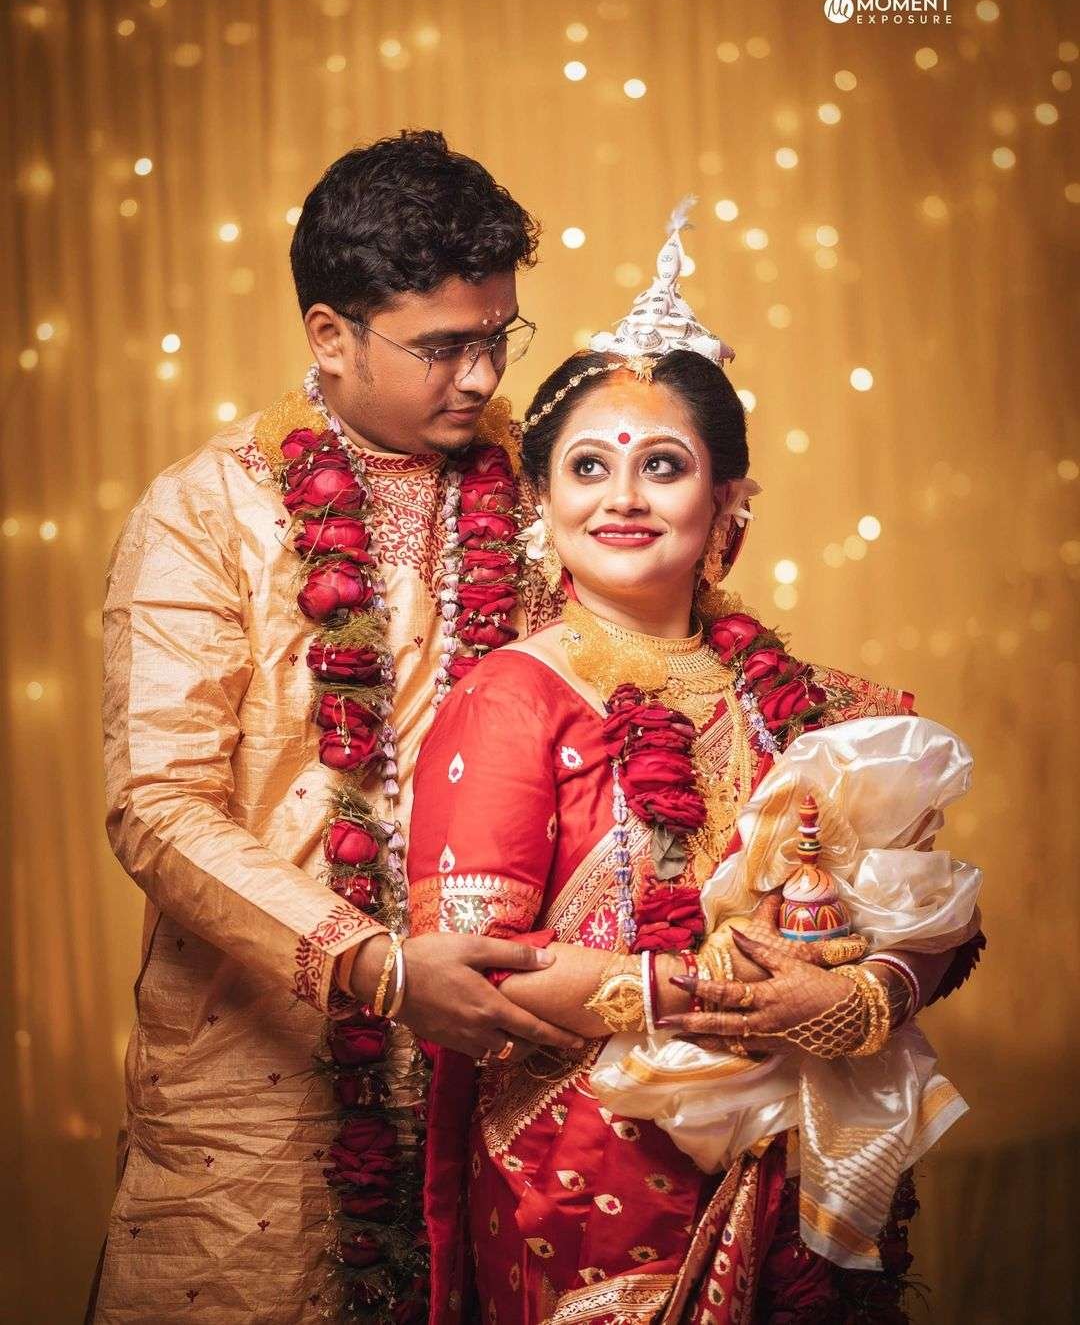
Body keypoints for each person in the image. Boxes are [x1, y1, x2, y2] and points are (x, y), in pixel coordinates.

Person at [407, 204, 984, 1323]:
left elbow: (937, 914)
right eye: (587, 466)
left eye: (661, 465)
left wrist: (859, 998)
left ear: (726, 502)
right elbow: (472, 974)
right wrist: (706, 994)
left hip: (788, 1169)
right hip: (583, 1183)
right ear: (541, 503)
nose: (622, 496)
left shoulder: (803, 701)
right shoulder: (510, 697)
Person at [89, 130, 580, 1325]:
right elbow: (156, 804)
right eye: (443, 346)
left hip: (505, 1060)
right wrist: (378, 966)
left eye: (499, 336)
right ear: (330, 334)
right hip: (260, 1089)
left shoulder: (549, 489)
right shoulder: (205, 513)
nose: (481, 375)